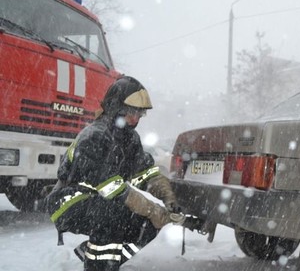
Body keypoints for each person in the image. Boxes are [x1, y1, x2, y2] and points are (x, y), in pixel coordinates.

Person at [45, 76, 199, 271]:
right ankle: (98, 266)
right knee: (113, 213)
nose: (136, 119)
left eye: (140, 114)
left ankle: (105, 261)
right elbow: (111, 187)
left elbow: (146, 174)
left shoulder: (129, 138)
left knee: (147, 224)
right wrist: (153, 209)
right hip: (67, 200)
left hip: (99, 200)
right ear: (116, 107)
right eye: (131, 112)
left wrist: (168, 198)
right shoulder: (95, 136)